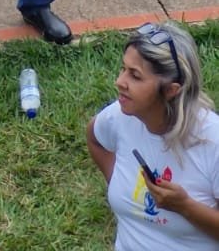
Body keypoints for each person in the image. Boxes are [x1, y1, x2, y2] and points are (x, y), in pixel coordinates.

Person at [87, 22, 219, 246]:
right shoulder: (121, 116)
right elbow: (94, 139)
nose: (119, 82)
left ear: (170, 90)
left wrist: (185, 206)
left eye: (135, 76)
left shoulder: (213, 141)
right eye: (123, 69)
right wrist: (120, 184)